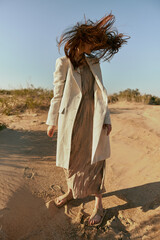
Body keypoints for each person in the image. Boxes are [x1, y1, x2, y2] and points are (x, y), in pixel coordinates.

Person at [46, 12, 129, 226]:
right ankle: (72, 191)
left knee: (95, 162)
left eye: (96, 45)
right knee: (72, 160)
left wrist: (107, 118)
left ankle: (98, 204)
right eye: (91, 44)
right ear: (82, 40)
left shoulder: (94, 62)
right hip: (70, 121)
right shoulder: (63, 62)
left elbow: (101, 92)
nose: (93, 48)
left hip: (93, 118)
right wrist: (52, 120)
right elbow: (57, 92)